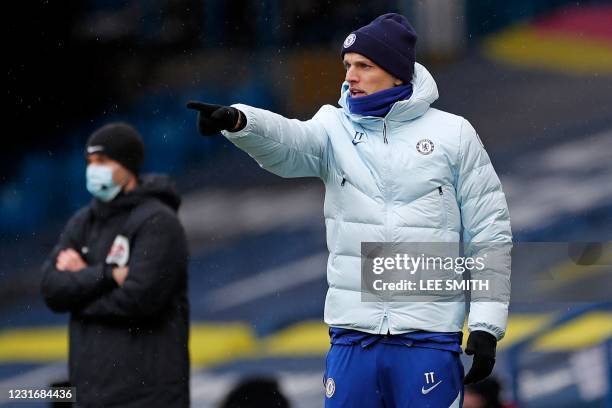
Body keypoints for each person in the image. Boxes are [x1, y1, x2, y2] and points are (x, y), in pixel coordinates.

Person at [188, 13, 511, 408]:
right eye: (347, 66)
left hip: (428, 336)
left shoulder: (453, 134)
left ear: (395, 72)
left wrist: (486, 325)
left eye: (363, 66)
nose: (350, 76)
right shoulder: (332, 126)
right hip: (353, 336)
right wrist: (242, 121)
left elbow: (489, 231)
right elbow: (290, 142)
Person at [41, 123, 190, 407]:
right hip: (90, 395)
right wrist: (108, 275)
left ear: (127, 164)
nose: (92, 169)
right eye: (89, 162)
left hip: (148, 397)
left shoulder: (159, 222)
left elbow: (140, 299)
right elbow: (50, 288)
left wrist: (79, 288)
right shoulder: (84, 221)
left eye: (102, 161)